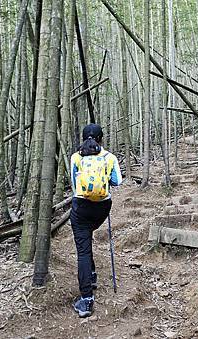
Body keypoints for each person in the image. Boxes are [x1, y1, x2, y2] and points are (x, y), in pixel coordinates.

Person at [70, 124, 122, 317]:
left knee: (83, 250)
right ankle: (90, 276)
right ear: (101, 139)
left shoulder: (76, 157)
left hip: (81, 207)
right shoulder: (109, 158)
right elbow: (118, 181)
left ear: (83, 138)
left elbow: (75, 185)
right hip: (102, 208)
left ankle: (86, 299)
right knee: (88, 235)